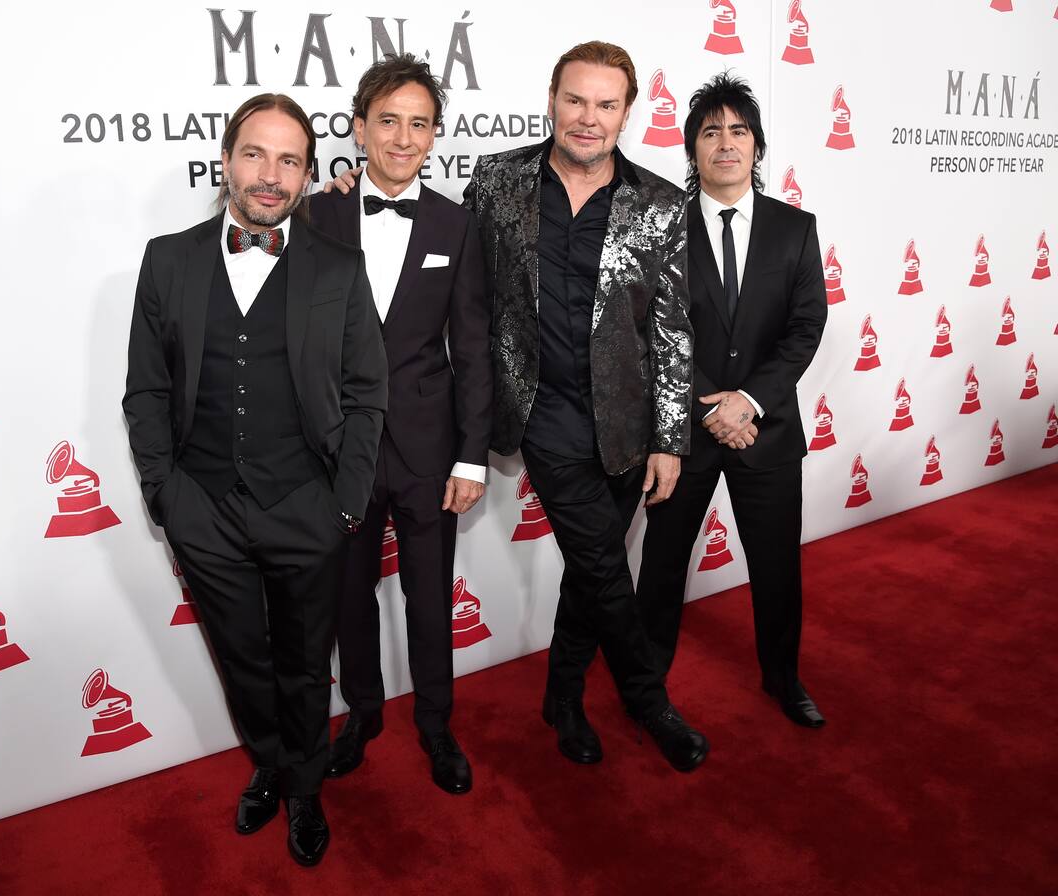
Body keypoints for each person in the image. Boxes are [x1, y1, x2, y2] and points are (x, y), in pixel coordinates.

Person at [122, 93, 387, 866]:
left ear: (307, 175)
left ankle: (304, 785)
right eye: (255, 154)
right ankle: (270, 761)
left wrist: (346, 504)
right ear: (226, 160)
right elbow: (146, 391)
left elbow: (368, 392)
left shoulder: (339, 266)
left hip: (306, 504)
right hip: (203, 509)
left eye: (289, 161)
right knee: (241, 657)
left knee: (304, 663)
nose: (271, 175)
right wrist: (167, 498)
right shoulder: (167, 260)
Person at [463, 41, 703, 772]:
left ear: (627, 113)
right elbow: (450, 270)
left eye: (605, 104)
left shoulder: (661, 203)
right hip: (544, 415)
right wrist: (350, 192)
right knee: (603, 562)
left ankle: (562, 699)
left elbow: (671, 330)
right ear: (552, 100)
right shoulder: (497, 180)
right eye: (575, 100)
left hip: (628, 426)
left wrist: (669, 438)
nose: (588, 118)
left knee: (589, 569)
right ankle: (648, 700)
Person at [308, 54, 491, 794]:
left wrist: (472, 457)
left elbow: (472, 346)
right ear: (359, 128)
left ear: (435, 134)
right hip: (338, 448)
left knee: (429, 593)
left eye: (419, 124)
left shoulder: (456, 222)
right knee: (347, 596)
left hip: (428, 447)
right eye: (388, 121)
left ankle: (437, 724)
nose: (404, 138)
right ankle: (361, 714)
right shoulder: (317, 215)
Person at [636, 72, 828, 730]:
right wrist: (709, 407)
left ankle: (783, 678)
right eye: (711, 132)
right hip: (682, 433)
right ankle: (646, 684)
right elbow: (649, 328)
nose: (725, 143)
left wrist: (748, 400)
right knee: (662, 567)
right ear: (692, 148)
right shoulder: (662, 227)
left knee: (777, 569)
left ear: (757, 145)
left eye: (738, 131)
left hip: (765, 430)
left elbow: (806, 326)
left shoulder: (794, 229)